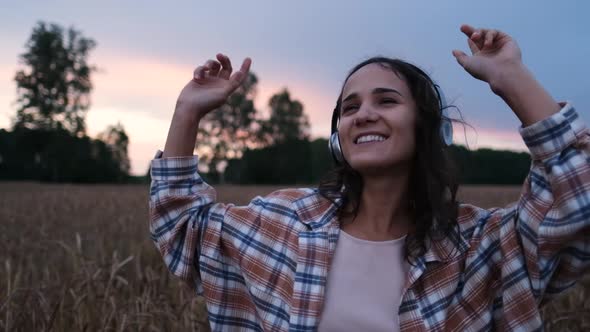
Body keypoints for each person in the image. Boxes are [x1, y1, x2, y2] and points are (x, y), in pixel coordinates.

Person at [149, 24, 590, 331]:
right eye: (350, 107)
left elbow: (578, 200)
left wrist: (511, 78)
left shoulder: (481, 247)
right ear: (338, 135)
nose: (364, 115)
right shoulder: (284, 225)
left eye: (387, 101)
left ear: (426, 128)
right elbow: (183, 227)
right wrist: (188, 111)